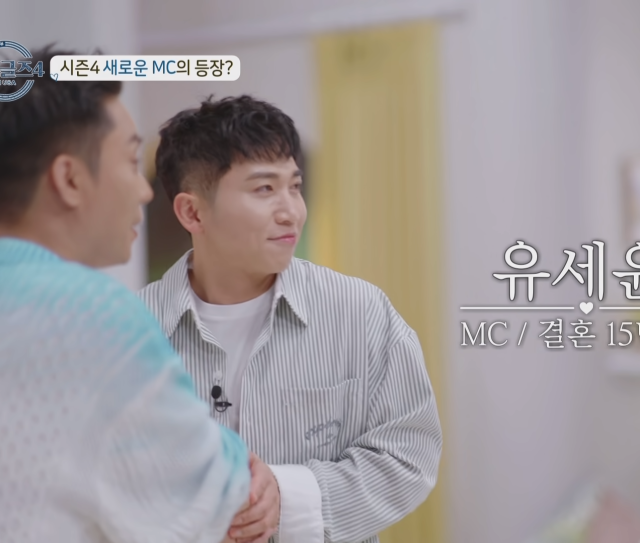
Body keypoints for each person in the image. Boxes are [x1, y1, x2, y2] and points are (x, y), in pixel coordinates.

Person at [0, 46, 251, 543]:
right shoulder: (95, 315)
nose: (145, 191)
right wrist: (242, 462)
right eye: (131, 160)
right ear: (69, 179)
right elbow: (212, 496)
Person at [139, 95, 442, 543]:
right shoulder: (130, 333)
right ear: (193, 212)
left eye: (294, 187)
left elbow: (409, 455)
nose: (291, 211)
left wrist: (289, 497)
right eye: (264, 189)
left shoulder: (360, 313)